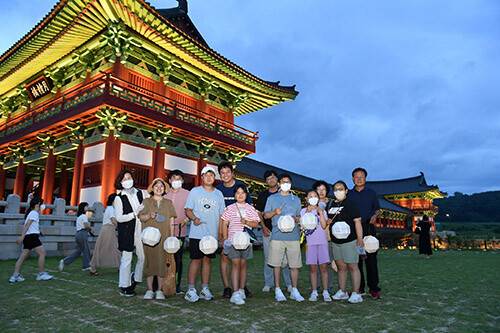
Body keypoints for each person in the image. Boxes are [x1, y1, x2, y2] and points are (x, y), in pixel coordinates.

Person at [184, 166, 225, 302]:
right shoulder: (195, 191)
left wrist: (220, 233)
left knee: (207, 260)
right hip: (197, 233)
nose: (208, 178)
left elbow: (221, 214)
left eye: (211, 175)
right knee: (196, 259)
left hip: (212, 234)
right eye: (206, 175)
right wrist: (194, 218)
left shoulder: (218, 194)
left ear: (215, 178)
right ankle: (190, 289)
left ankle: (204, 288)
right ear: (202, 177)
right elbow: (188, 210)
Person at [215, 161, 253, 299]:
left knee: (241, 259)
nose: (225, 175)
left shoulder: (241, 187)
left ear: (233, 173)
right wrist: (220, 232)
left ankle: (241, 286)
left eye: (228, 172)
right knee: (224, 256)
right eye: (222, 173)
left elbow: (249, 208)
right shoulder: (218, 189)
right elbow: (220, 212)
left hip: (241, 229)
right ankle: (227, 286)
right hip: (225, 227)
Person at [264, 173, 304, 302]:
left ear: (290, 184)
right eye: (283, 181)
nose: (285, 184)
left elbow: (299, 217)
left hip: (293, 236)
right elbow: (265, 215)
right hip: (277, 236)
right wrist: (275, 212)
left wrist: (296, 218)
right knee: (276, 264)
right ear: (279, 183)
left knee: (294, 265)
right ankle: (277, 289)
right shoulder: (272, 199)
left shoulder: (296, 199)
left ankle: (294, 289)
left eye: (288, 182)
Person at [221, 184, 260, 305]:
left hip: (246, 242)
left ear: (246, 194)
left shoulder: (250, 208)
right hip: (233, 242)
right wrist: (225, 238)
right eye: (237, 193)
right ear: (234, 195)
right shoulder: (230, 208)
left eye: (242, 193)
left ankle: (242, 290)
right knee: (236, 264)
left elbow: (255, 224)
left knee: (243, 265)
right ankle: (236, 292)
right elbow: (224, 223)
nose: (240, 195)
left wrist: (247, 222)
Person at [138, 178, 177, 300]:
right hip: (148, 238)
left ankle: (159, 290)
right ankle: (150, 290)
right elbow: (141, 217)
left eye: (161, 186)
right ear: (152, 188)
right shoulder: (146, 202)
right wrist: (149, 215)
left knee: (162, 262)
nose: (159, 188)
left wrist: (171, 237)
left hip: (164, 237)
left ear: (165, 189)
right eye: (156, 186)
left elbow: (171, 221)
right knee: (149, 261)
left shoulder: (169, 203)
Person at [327, 180, 364, 304]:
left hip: (350, 240)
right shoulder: (330, 205)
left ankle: (356, 293)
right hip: (336, 241)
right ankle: (342, 291)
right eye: (336, 189)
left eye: (341, 189)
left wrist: (360, 239)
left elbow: (357, 222)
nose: (339, 191)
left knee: (353, 266)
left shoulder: (351, 204)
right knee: (341, 266)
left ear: (346, 190)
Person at [113, 170, 149, 297]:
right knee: (126, 259)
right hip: (127, 231)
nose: (127, 180)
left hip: (140, 229)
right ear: (120, 182)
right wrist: (134, 213)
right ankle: (124, 285)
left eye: (129, 177)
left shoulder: (140, 193)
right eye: (124, 179)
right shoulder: (119, 198)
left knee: (143, 257)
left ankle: (136, 279)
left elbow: (147, 206)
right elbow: (119, 218)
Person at [347, 167, 382, 299]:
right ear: (352, 179)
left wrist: (375, 216)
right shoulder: (349, 194)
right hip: (354, 228)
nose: (359, 179)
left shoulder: (371, 193)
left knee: (371, 259)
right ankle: (359, 288)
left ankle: (374, 288)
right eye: (356, 176)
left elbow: (377, 209)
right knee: (356, 260)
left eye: (362, 176)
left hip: (368, 227)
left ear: (365, 178)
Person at [256, 170, 292, 292]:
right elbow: (259, 213)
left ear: (277, 179)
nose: (271, 180)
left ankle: (288, 283)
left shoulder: (285, 194)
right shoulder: (263, 196)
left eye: (273, 177)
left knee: (286, 257)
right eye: (268, 178)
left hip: (283, 230)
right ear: (265, 182)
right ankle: (269, 283)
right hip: (268, 230)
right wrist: (264, 227)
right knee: (268, 258)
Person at [10, 198, 53, 282]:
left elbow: (31, 225)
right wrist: (22, 237)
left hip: (29, 237)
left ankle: (15, 275)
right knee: (42, 254)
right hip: (32, 237)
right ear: (37, 205)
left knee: (23, 257)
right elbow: (27, 225)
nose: (42, 206)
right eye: (41, 204)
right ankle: (41, 274)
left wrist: (39, 230)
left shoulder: (32, 213)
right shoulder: (34, 213)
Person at [301, 189, 331, 302]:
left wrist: (321, 213)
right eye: (310, 196)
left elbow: (323, 226)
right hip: (310, 243)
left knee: (323, 267)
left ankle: (325, 291)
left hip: (322, 242)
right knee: (313, 268)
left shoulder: (322, 210)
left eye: (315, 196)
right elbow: (303, 225)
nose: (312, 198)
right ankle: (314, 291)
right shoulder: (303, 211)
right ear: (306, 199)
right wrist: (308, 212)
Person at [164, 169, 190, 294]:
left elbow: (191, 210)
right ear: (169, 180)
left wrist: (185, 220)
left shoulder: (188, 194)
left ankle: (177, 284)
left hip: (180, 231)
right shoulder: (164, 194)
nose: (176, 181)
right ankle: (165, 282)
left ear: (183, 181)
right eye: (174, 178)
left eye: (179, 178)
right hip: (166, 232)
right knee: (166, 257)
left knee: (178, 258)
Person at [312, 180, 336, 292]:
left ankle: (329, 286)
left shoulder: (331, 205)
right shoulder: (312, 205)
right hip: (315, 238)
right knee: (315, 264)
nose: (321, 192)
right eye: (318, 189)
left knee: (328, 263)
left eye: (323, 189)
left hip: (329, 237)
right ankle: (316, 286)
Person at [89, 194, 121, 275]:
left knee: (112, 247)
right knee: (105, 247)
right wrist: (117, 226)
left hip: (108, 228)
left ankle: (120, 266)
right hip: (108, 228)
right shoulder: (111, 209)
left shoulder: (110, 208)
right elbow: (112, 219)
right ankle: (93, 267)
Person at [59, 202, 94, 272]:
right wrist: (90, 230)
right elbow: (86, 226)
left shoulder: (79, 216)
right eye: (86, 206)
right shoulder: (84, 216)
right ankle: (86, 266)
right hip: (83, 233)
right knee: (86, 250)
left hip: (78, 233)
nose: (87, 208)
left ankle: (65, 261)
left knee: (78, 251)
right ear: (83, 208)